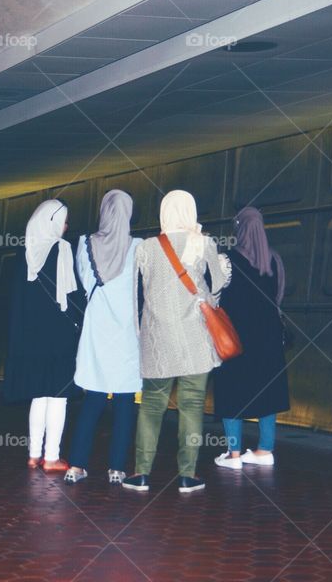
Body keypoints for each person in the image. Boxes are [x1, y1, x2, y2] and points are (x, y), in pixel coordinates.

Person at [123, 190, 231, 494]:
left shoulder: (145, 248)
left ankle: (141, 474)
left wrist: (138, 332)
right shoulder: (203, 242)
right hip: (195, 338)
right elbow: (219, 283)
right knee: (192, 405)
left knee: (152, 407)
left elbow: (135, 294)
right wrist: (210, 295)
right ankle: (187, 475)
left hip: (158, 340)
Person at [64, 190, 142, 486]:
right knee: (124, 401)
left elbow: (85, 282)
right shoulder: (138, 246)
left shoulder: (84, 244)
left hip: (96, 331)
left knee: (93, 399)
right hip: (125, 334)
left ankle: (77, 465)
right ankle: (117, 469)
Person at [4, 199, 79, 473]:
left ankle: (33, 454)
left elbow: (16, 300)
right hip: (59, 335)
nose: (66, 226)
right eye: (64, 220)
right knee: (58, 396)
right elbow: (72, 294)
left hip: (31, 336)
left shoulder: (22, 254)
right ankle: (52, 457)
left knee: (38, 395)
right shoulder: (62, 249)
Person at [213, 207, 290, 469]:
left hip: (236, 339)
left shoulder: (227, 260)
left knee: (231, 391)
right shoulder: (274, 260)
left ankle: (233, 455)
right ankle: (265, 450)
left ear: (240, 229)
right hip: (268, 339)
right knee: (268, 393)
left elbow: (216, 297)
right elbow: (278, 297)